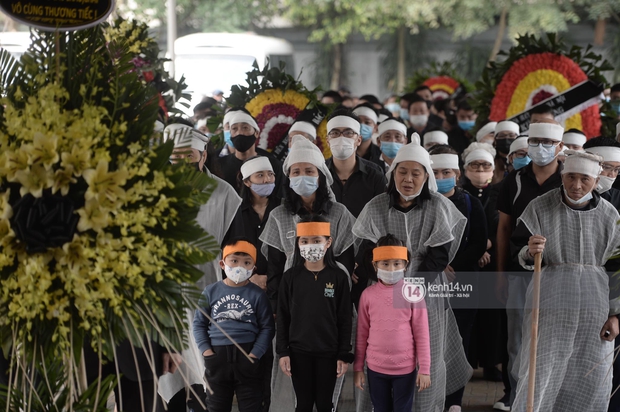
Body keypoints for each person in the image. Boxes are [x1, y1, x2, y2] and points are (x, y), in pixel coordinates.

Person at [353, 141, 472, 412]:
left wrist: (411, 288)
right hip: (383, 283)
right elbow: (364, 250)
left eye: (415, 173)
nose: (408, 179)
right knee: (383, 343)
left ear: (426, 176)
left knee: (427, 348)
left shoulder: (438, 206)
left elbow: (440, 255)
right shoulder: (376, 206)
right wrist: (387, 280)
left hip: (425, 288)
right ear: (392, 174)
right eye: (401, 172)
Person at [510, 150, 620, 411]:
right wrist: (529, 251)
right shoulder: (539, 207)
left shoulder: (611, 216)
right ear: (562, 176)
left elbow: (617, 268)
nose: (576, 185)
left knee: (590, 372)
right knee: (541, 368)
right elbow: (519, 252)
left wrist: (616, 315)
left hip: (596, 307)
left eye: (585, 178)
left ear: (596, 180)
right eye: (570, 177)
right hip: (549, 302)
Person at [160, 122, 245, 411]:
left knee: (206, 382)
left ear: (203, 155)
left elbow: (237, 247)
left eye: (189, 155)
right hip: (164, 301)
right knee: (167, 379)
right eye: (175, 157)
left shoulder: (224, 195)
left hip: (208, 297)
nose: (181, 162)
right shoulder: (152, 191)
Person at [495, 120, 564, 409]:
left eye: (548, 143)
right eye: (534, 141)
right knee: (518, 339)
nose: (540, 148)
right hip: (518, 271)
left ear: (560, 147)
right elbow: (503, 229)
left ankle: (549, 395)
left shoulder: (568, 177)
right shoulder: (515, 179)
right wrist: (499, 275)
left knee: (554, 336)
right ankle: (515, 394)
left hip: (559, 272)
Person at [429, 146, 488, 412]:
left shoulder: (470, 203)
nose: (441, 176)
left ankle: (454, 400)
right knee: (430, 339)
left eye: (446, 172)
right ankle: (431, 396)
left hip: (463, 280)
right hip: (430, 279)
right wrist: (438, 267)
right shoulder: (425, 202)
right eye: (435, 171)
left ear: (456, 174)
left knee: (459, 341)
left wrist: (453, 266)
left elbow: (478, 242)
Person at [277, 217, 353, 412]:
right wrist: (283, 352)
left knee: (325, 404)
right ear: (298, 244)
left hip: (328, 352)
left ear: (328, 242)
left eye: (316, 240)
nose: (310, 246)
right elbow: (283, 316)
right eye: (304, 241)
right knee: (303, 404)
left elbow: (345, 318)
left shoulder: (338, 277)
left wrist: (343, 354)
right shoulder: (290, 277)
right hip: (298, 352)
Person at [193, 238, 275, 412]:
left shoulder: (258, 295)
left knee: (251, 405)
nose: (240, 266)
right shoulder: (210, 291)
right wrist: (207, 353)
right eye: (234, 261)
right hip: (217, 358)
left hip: (248, 356)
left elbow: (267, 328)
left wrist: (254, 355)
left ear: (253, 268)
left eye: (247, 262)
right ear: (223, 264)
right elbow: (199, 324)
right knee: (215, 406)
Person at [354, 235, 431, 412]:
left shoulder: (413, 293)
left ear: (406, 264)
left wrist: (425, 369)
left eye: (397, 263)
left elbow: (422, 334)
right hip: (375, 369)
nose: (391, 268)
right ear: (375, 265)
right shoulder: (367, 295)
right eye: (385, 263)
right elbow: (361, 334)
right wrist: (358, 368)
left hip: (405, 370)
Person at [216, 110, 283, 195]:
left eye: (245, 128)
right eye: (234, 129)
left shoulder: (272, 164)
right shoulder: (219, 165)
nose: (239, 132)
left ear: (256, 133)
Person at [584, 136, 620, 208]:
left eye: (616, 169)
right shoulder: (568, 193)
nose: (612, 175)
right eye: (607, 167)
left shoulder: (617, 198)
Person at [353, 103, 383, 169]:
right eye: (358, 121)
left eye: (367, 122)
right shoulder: (343, 151)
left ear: (375, 128)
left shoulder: (382, 155)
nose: (361, 126)